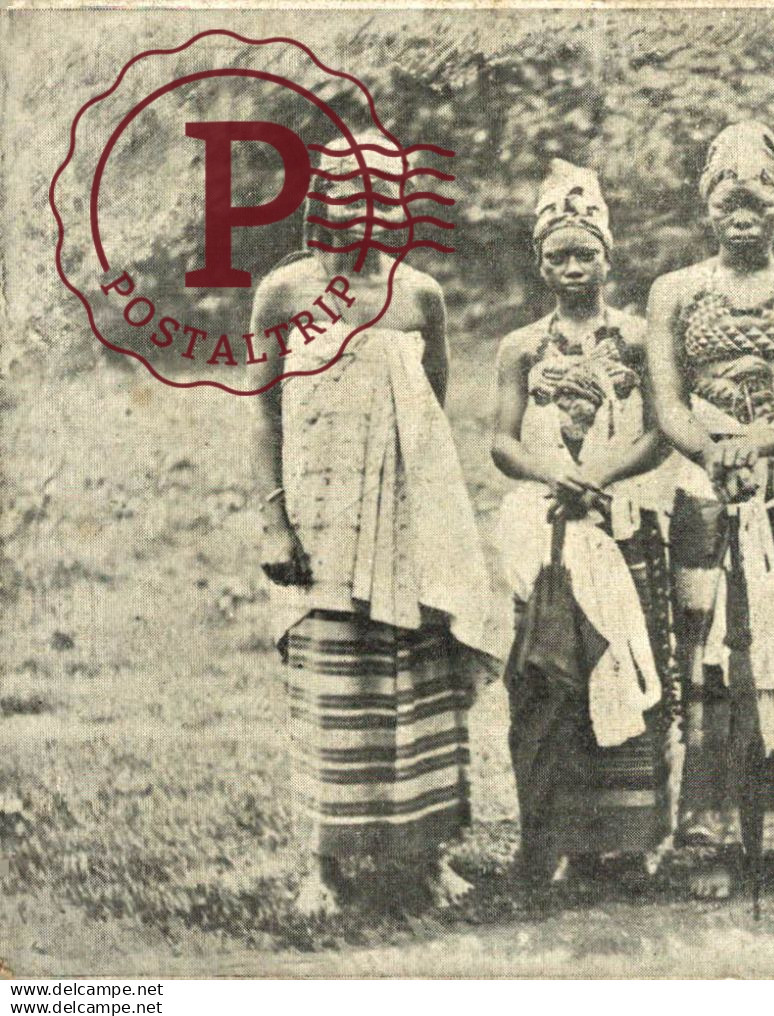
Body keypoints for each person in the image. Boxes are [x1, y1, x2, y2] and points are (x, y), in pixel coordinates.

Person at [251, 133, 503, 915]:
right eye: (348, 191)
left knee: (413, 685)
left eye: (381, 192)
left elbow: (431, 404)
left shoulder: (418, 294)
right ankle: (322, 870)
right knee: (332, 690)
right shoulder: (283, 293)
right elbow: (261, 419)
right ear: (322, 196)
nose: (364, 207)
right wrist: (274, 524)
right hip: (318, 521)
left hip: (407, 522)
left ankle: (425, 859)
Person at [643, 122, 774, 899]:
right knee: (713, 663)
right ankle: (714, 839)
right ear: (707, 209)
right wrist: (713, 451)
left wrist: (767, 438)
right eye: (727, 200)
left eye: (758, 198)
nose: (742, 213)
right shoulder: (674, 292)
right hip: (708, 495)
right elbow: (665, 403)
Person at [491, 160, 679, 886]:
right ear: (540, 263)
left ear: (609, 255)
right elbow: (502, 442)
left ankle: (627, 844)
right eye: (559, 255)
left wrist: (597, 477)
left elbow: (660, 430)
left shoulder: (636, 337)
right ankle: (549, 840)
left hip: (622, 520)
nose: (574, 267)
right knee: (547, 679)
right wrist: (553, 475)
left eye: (586, 253)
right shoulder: (520, 347)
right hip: (548, 534)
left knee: (630, 667)